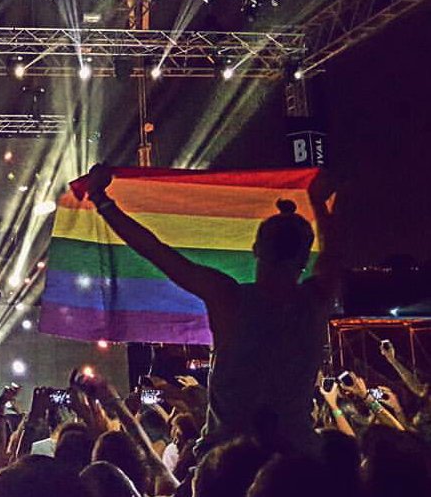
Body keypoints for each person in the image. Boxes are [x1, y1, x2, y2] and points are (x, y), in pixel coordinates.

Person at [81, 164, 341, 454]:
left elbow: (156, 251)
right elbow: (334, 255)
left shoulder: (228, 296)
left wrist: (101, 199)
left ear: (256, 249)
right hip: (297, 457)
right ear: (305, 256)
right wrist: (319, 204)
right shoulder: (315, 299)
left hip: (230, 462)